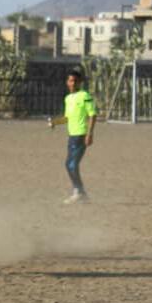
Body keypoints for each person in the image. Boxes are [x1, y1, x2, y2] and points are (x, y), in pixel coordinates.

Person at [50, 70, 97, 204]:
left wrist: (90, 133)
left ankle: (79, 192)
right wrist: (55, 122)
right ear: (67, 82)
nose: (73, 83)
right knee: (69, 165)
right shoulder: (68, 98)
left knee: (71, 164)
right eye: (70, 80)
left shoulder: (85, 96)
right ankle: (80, 192)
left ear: (80, 82)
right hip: (71, 135)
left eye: (75, 81)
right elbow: (67, 118)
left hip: (81, 135)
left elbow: (92, 114)